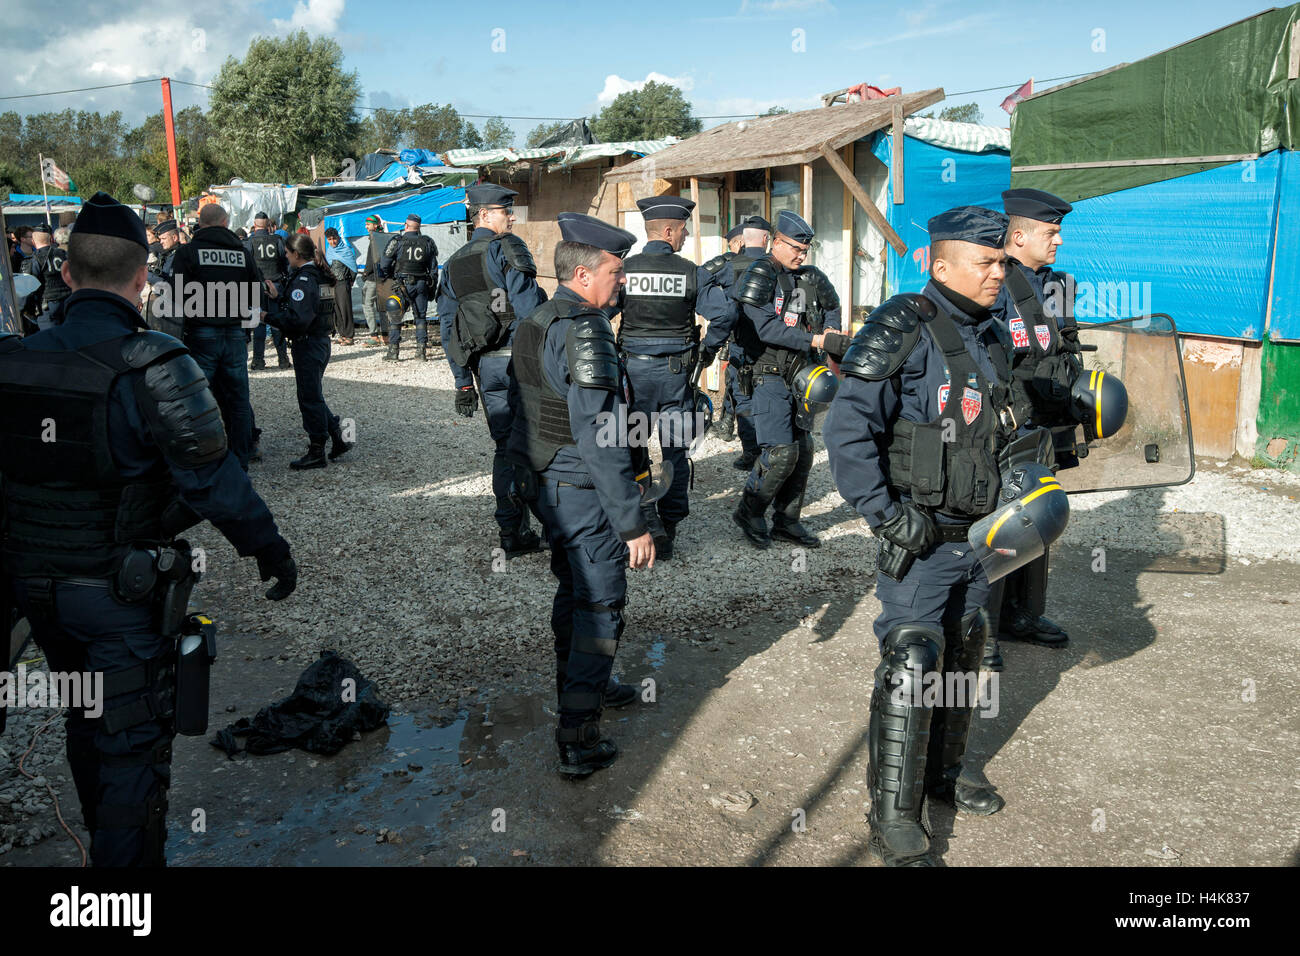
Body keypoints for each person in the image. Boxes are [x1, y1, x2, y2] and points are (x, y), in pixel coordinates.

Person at [0, 192, 298, 867]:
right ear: (143, 280)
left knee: (87, 716)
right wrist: (269, 550)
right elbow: (212, 479)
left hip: (35, 590)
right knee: (131, 745)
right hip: (117, 595)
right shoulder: (154, 363)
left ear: (67, 275)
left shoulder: (13, 362)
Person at [822, 206, 1027, 866]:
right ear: (941, 266)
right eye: (986, 262)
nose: (999, 273)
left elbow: (1003, 429)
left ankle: (945, 773)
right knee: (913, 661)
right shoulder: (901, 325)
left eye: (1002, 262)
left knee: (965, 653)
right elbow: (847, 431)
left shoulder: (993, 334)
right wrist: (883, 514)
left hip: (981, 538)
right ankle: (893, 812)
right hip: (919, 538)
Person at [509, 212, 652, 777]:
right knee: (599, 606)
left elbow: (513, 410)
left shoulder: (537, 317)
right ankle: (578, 737)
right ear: (588, 273)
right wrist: (632, 521)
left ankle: (583, 688)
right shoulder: (586, 328)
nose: (621, 283)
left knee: (573, 592)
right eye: (616, 272)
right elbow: (600, 435)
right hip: (581, 489)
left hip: (546, 482)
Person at [984, 188, 1080, 669]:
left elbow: (1065, 347)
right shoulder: (994, 281)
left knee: (1038, 517)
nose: (1058, 240)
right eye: (1050, 231)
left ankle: (1020, 614)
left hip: (1042, 428)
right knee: (1000, 524)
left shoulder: (1055, 285)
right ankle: (979, 631)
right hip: (1005, 428)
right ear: (1018, 236)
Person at [438, 184, 546, 557]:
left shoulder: (454, 264)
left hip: (486, 367)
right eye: (506, 211)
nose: (512, 218)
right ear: (485, 215)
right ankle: (552, 527)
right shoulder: (506, 249)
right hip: (520, 362)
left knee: (505, 448)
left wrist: (462, 381)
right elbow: (530, 309)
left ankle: (511, 533)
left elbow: (448, 327)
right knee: (539, 444)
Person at [730, 210, 846, 549]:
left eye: (805, 250)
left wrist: (830, 329)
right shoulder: (759, 274)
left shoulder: (809, 277)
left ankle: (787, 520)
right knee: (780, 452)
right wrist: (818, 341)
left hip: (803, 376)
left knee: (804, 450)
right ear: (775, 242)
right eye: (795, 248)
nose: (801, 255)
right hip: (768, 375)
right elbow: (765, 328)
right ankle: (749, 512)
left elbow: (833, 305)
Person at [616, 195, 712, 559]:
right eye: (683, 230)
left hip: (635, 374)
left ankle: (644, 521)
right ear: (669, 231)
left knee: (635, 449)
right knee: (674, 452)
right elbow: (723, 315)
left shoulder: (624, 269)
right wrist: (708, 351)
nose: (686, 237)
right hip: (675, 378)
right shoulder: (691, 272)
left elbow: (601, 308)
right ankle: (669, 528)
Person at [162, 202, 265, 470]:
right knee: (239, 399)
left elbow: (176, 294)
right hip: (234, 332)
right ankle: (241, 459)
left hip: (201, 331)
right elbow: (257, 293)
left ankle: (203, 458)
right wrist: (247, 327)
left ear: (202, 223)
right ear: (225, 222)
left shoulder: (188, 252)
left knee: (199, 398)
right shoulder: (242, 253)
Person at [270, 234, 354, 469]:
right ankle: (338, 436)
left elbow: (298, 319)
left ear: (296, 254)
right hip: (319, 342)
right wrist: (279, 298)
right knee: (314, 394)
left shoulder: (305, 279)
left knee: (309, 398)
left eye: (287, 253)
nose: (285, 258)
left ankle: (317, 450)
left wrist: (268, 317)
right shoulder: (318, 275)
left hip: (308, 344)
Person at [698, 215, 771, 468]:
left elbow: (700, 277)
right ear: (766, 239)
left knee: (744, 397)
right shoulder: (777, 265)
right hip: (775, 343)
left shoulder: (731, 265)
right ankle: (773, 449)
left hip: (741, 341)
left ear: (741, 241)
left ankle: (751, 454)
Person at [379, 214, 438, 361]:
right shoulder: (427, 242)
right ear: (419, 227)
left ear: (406, 225)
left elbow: (384, 264)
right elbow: (433, 269)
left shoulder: (397, 241)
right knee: (420, 317)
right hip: (421, 284)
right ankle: (421, 351)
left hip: (402, 284)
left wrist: (392, 275)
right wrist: (431, 288)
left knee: (395, 315)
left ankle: (393, 351)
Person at [244, 212, 291, 370]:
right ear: (269, 225)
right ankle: (283, 359)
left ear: (255, 225)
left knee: (258, 322)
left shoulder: (249, 242)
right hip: (276, 284)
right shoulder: (277, 240)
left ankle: (258, 360)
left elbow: (247, 266)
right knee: (277, 322)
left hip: (257, 287)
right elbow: (286, 262)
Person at [23, 223, 71, 331]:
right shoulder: (64, 254)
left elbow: (29, 288)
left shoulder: (34, 259)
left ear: (33, 241)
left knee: (51, 341)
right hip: (68, 302)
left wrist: (27, 309)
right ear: (52, 238)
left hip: (48, 306)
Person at [323, 227, 357, 346]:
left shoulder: (346, 250)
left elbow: (353, 268)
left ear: (338, 237)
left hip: (343, 283)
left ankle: (349, 335)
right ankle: (342, 333)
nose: (333, 242)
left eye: (334, 239)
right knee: (337, 310)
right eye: (330, 239)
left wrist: (350, 282)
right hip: (333, 284)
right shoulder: (329, 251)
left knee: (345, 309)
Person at [359, 215, 387, 345]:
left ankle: (374, 335)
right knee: (382, 306)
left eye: (368, 224)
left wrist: (365, 273)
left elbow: (371, 259)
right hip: (383, 278)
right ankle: (386, 336)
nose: (366, 226)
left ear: (375, 225)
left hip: (372, 278)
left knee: (367, 305)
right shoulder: (384, 237)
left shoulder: (374, 239)